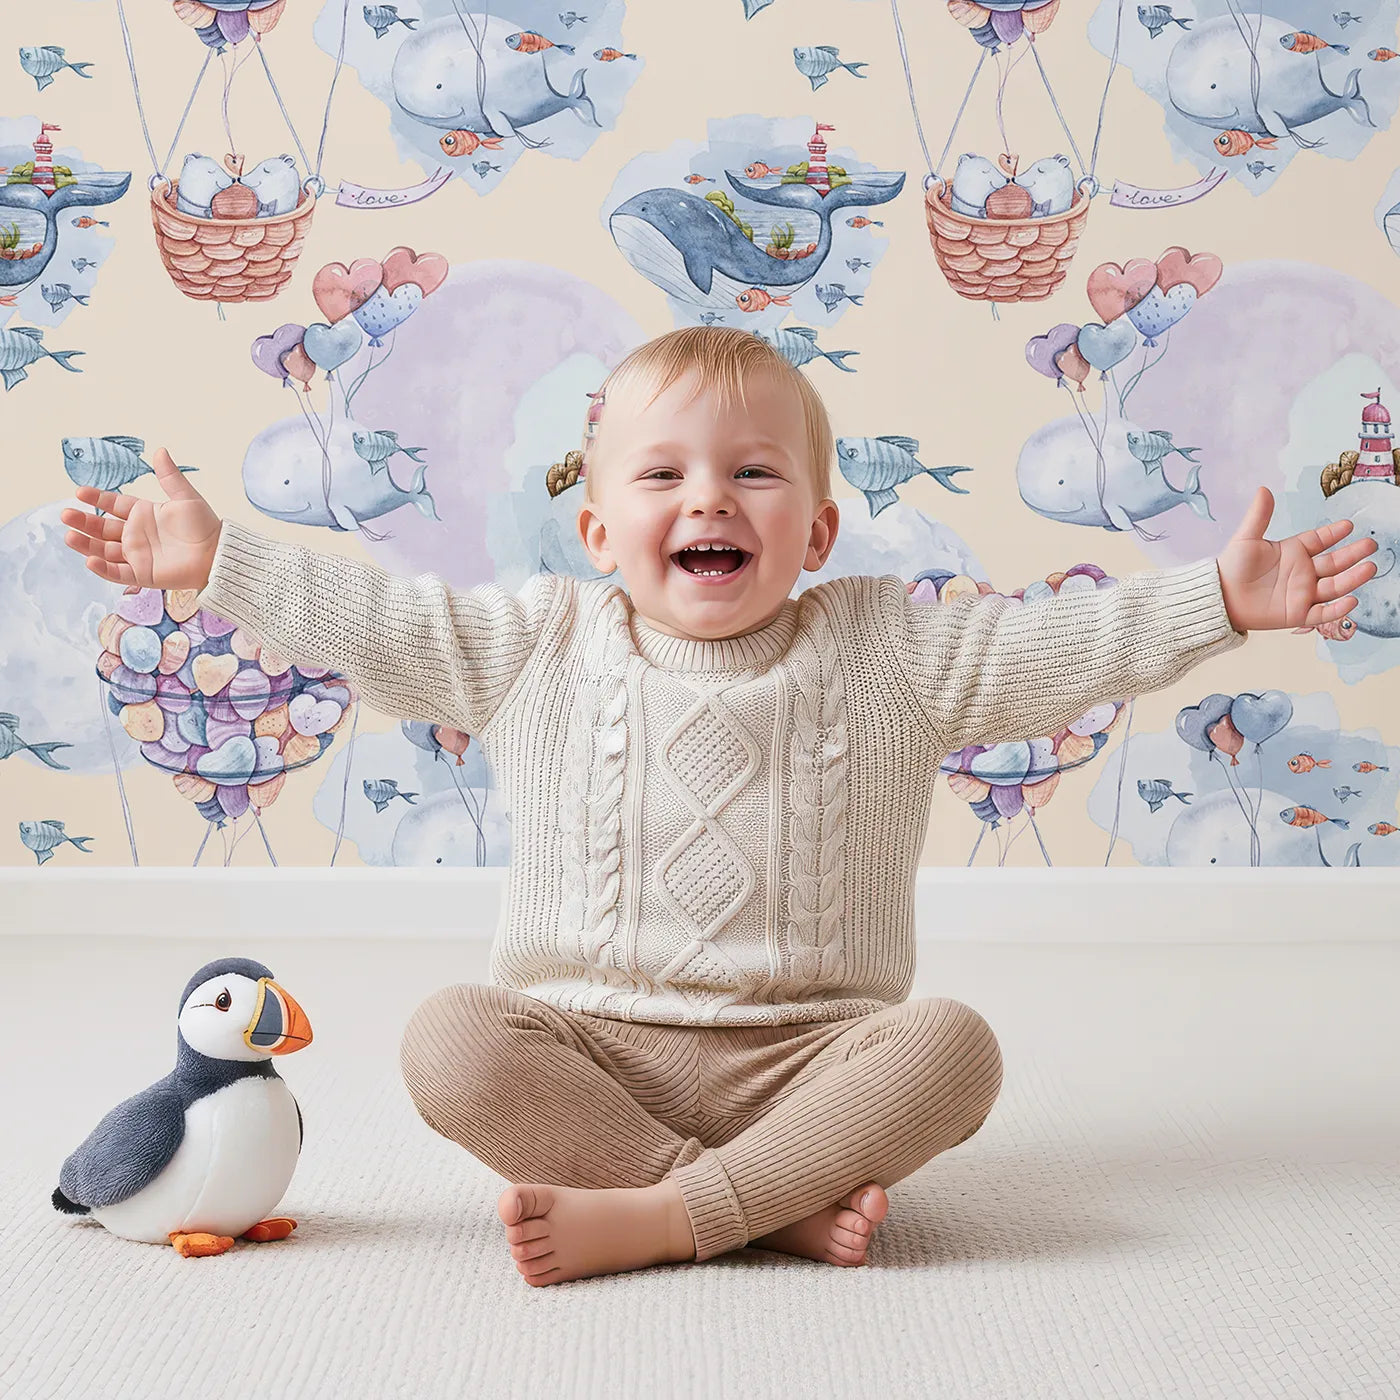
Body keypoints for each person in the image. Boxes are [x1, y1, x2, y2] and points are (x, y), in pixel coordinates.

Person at [59, 326, 1376, 1287]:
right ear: (596, 535)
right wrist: (221, 561)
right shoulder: (536, 645)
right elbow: (375, 618)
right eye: (661, 476)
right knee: (447, 1041)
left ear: (818, 533)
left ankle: (668, 1216)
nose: (707, 498)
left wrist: (1218, 599)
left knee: (954, 1048)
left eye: (753, 474)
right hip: (589, 1059)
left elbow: (1061, 647)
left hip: (816, 1062)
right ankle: (752, 1209)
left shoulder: (889, 650)